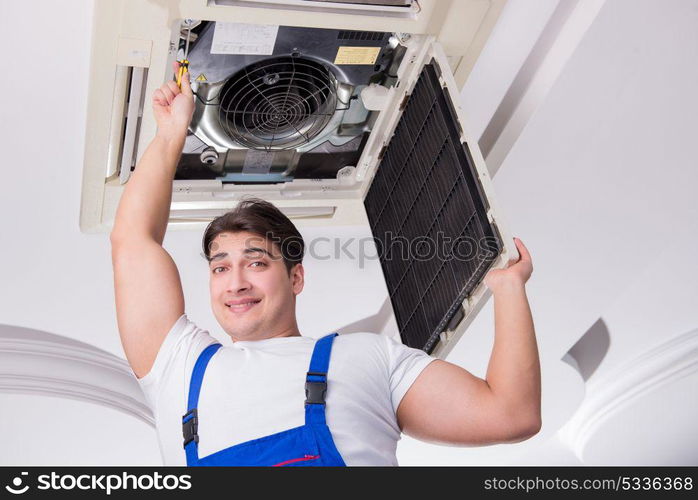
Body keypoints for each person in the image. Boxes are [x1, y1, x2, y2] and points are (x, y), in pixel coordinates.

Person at [110, 62, 541, 466]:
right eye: (220, 267)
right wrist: (169, 135)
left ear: (296, 276)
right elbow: (133, 240)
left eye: (256, 263)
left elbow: (510, 414)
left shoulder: (369, 357)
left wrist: (508, 289)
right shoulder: (178, 368)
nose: (235, 283)